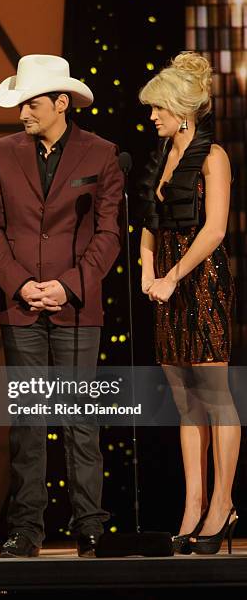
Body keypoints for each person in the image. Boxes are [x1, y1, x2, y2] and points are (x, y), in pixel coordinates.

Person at [0, 54, 124, 557]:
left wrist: (69, 285)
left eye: (32, 104)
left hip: (77, 306)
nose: (22, 113)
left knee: (80, 418)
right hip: (21, 306)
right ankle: (27, 527)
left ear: (62, 103)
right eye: (20, 104)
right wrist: (19, 283)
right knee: (29, 421)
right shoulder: (0, 153)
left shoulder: (102, 154)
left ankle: (90, 525)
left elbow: (108, 233)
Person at [139, 52, 240, 554]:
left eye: (157, 108)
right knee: (185, 402)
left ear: (181, 109)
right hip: (168, 282)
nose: (151, 117)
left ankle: (223, 504)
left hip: (202, 280)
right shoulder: (161, 156)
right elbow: (151, 219)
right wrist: (146, 268)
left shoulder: (213, 155)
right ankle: (193, 505)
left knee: (215, 395)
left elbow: (215, 229)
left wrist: (173, 277)